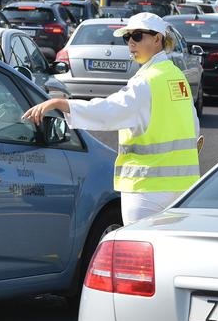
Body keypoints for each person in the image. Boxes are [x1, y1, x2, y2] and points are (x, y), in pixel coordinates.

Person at [23, 13, 202, 224]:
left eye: (137, 36)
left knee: (140, 253)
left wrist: (62, 104)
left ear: (157, 39)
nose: (131, 44)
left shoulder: (146, 81)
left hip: (147, 191)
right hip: (182, 189)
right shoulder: (175, 76)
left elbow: (110, 112)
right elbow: (193, 125)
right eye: (127, 38)